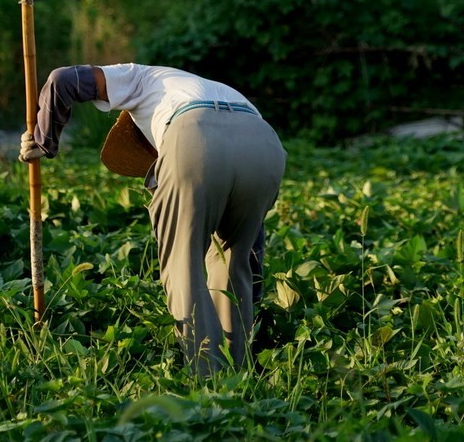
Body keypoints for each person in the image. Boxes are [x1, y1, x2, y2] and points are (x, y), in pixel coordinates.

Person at [18, 63, 286, 374]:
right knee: (232, 260)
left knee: (183, 264)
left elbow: (65, 79)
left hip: (194, 133)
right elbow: (252, 252)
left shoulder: (141, 77)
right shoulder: (216, 90)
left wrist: (43, 141)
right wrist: (253, 297)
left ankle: (208, 379)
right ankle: (240, 373)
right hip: (265, 143)